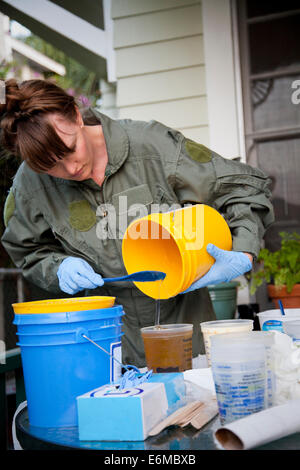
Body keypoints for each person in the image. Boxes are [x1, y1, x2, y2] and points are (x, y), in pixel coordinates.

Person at [0, 79, 274, 367]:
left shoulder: (152, 144)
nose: (70, 168)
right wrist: (58, 268)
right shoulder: (31, 184)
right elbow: (27, 249)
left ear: (77, 115)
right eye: (52, 166)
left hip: (185, 331)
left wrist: (243, 251)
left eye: (70, 149)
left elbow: (245, 187)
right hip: (105, 345)